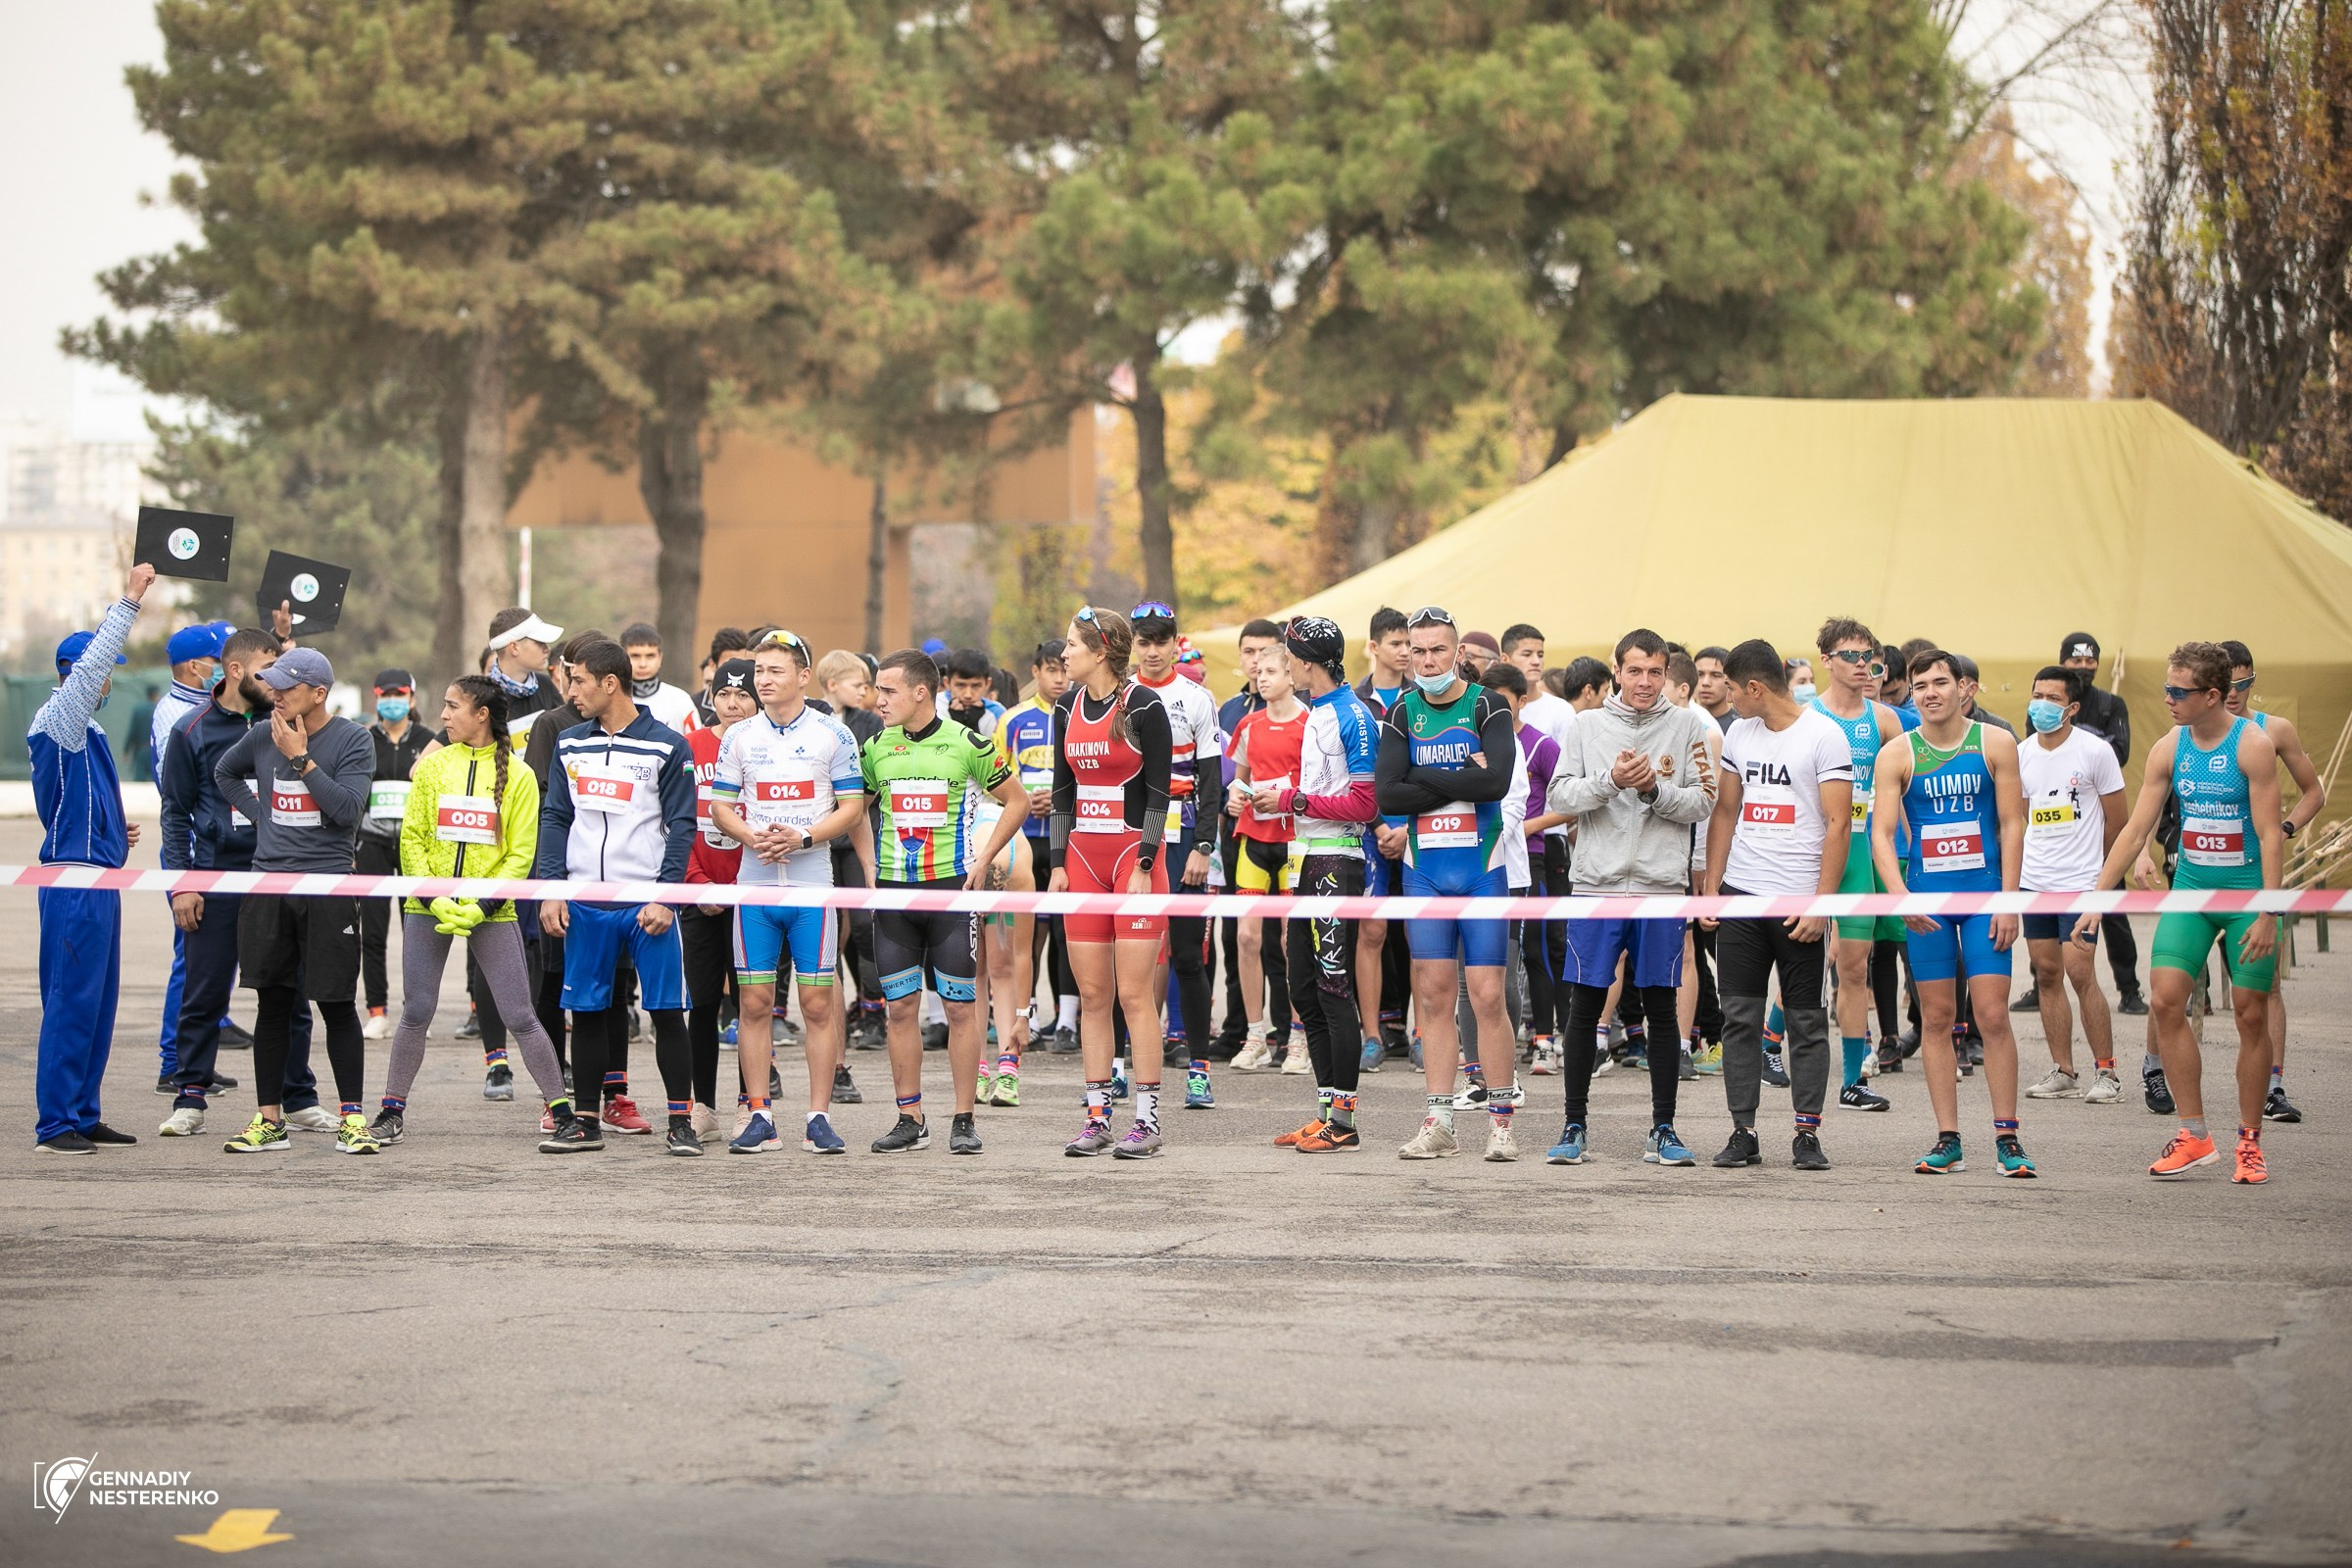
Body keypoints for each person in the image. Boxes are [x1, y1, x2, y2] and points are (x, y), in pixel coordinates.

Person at [2076, 642, 2285, 1185]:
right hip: (2192, 891)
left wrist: (2269, 912)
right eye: (2166, 688)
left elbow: (2269, 834)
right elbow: (2134, 831)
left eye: (2178, 691)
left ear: (2212, 695)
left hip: (2246, 897)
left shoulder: (2253, 745)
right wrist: (2098, 898)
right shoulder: (2170, 746)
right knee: (2166, 1000)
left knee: (2250, 1014)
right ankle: (2194, 1135)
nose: (2167, 699)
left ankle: (2249, 1141)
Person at [368, 675, 571, 1145]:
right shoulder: (433, 766)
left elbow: (520, 855)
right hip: (428, 906)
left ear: (481, 715)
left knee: (520, 1015)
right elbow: (412, 839)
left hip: (491, 911)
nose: (443, 715)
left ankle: (561, 1112)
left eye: (452, 706)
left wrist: (482, 906)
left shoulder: (519, 775)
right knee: (416, 1011)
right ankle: (391, 1112)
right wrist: (434, 897)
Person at [1545, 629, 1718, 1167]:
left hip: (1660, 887)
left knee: (1661, 1008)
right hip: (1595, 886)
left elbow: (1704, 801)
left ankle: (1663, 1129)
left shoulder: (1687, 725)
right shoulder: (1585, 725)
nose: (1645, 682)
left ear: (1668, 674)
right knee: (1585, 1005)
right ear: (1617, 671)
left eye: (1655, 672)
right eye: (1635, 671)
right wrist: (1610, 781)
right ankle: (1574, 1125)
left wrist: (1653, 790)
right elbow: (1559, 794)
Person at [1873, 649, 2035, 1177]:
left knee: (1992, 1015)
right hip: (1928, 904)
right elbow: (1882, 834)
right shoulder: (1897, 754)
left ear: (1963, 688)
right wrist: (1901, 896)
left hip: (1985, 898)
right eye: (1920, 685)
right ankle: (1948, 1139)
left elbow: (2012, 825)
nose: (1930, 693)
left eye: (1940, 683)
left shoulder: (1994, 743)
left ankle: (2008, 1138)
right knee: (1937, 1018)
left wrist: (2009, 899)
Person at [214, 647, 381, 1155]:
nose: (276, 695)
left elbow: (346, 811)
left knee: (336, 1004)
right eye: (274, 685)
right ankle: (270, 1121)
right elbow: (224, 773)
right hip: (268, 886)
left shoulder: (353, 739)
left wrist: (300, 759)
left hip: (327, 887)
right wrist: (261, 816)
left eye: (287, 687)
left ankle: (353, 1119)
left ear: (318, 693)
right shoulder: (263, 732)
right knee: (272, 1003)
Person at [710, 630, 871, 1156]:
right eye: (759, 671)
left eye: (775, 671)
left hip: (810, 886)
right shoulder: (739, 736)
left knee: (817, 1004)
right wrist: (750, 836)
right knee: (754, 1003)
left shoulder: (833, 735)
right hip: (755, 884)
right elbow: (720, 806)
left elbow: (853, 808)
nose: (763, 680)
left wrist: (802, 838)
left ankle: (818, 1117)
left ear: (803, 676)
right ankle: (760, 1116)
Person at [862, 648, 1030, 1154]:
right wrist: (868, 867)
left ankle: (963, 1119)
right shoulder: (875, 747)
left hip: (952, 893)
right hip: (895, 894)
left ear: (920, 692)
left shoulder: (968, 743)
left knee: (960, 1008)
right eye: (877, 690)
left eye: (888, 690)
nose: (878, 699)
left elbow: (1018, 800)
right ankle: (909, 1118)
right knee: (900, 1009)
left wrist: (985, 857)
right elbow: (853, 810)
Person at [535, 636, 700, 1152]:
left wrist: (666, 898)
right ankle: (585, 1122)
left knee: (666, 1011)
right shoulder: (570, 743)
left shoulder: (668, 745)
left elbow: (683, 826)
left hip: (647, 903)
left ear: (610, 683)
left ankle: (681, 1123)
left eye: (578, 681)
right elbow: (555, 817)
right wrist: (552, 889)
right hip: (585, 902)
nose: (570, 691)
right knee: (585, 1011)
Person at [1377, 606, 1522, 1162]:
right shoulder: (1400, 711)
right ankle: (1439, 1121)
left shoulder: (1487, 705)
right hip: (1425, 874)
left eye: (1438, 649)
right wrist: (1463, 775)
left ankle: (1501, 1123)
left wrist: (1418, 775)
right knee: (1434, 997)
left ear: (1457, 652)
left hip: (1481, 871)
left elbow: (1496, 783)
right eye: (1418, 651)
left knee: (1486, 995)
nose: (1428, 660)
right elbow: (1387, 795)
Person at [1700, 639, 1851, 1172]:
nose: (1727, 698)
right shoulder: (1739, 733)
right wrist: (1712, 888)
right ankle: (1743, 1131)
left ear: (1755, 688)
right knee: (1739, 1019)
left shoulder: (1824, 736)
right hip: (1742, 896)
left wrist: (1820, 906)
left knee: (1806, 1022)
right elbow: (1725, 812)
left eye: (1732, 689)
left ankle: (1807, 1133)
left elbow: (1839, 824)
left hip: (1799, 904)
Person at [30, 563, 157, 1153]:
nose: (109, 682)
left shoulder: (91, 734)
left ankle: (83, 1112)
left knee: (98, 1004)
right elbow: (88, 671)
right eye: (104, 673)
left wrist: (111, 829)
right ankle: (55, 1123)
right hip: (74, 884)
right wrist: (129, 601)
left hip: (101, 876)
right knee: (71, 1002)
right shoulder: (61, 718)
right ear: (82, 674)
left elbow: (75, 802)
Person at [1049, 608, 1176, 1158]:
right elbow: (1062, 792)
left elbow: (1160, 793)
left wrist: (1146, 864)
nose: (1064, 654)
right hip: (1082, 859)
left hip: (1134, 860)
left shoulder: (1144, 705)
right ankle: (1097, 1117)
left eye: (1073, 645)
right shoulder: (1065, 707)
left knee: (1134, 994)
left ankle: (1146, 1122)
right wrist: (1057, 864)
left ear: (1100, 652)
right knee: (1094, 995)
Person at [1253, 615, 1382, 1152]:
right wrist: (1279, 796)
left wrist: (1291, 800)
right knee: (1303, 986)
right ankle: (1328, 1108)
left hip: (1338, 864)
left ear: (1306, 664)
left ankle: (1344, 1122)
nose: (1284, 666)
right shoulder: (1320, 711)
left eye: (1288, 658)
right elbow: (1322, 788)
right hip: (1307, 861)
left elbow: (1366, 804)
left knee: (1333, 989)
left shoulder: (1353, 715)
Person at [2220, 641, 2328, 1123]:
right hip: (2202, 869)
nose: (2234, 693)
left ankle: (2273, 1086)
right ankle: (2155, 1071)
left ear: (2252, 681)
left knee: (2266, 986)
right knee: (2174, 981)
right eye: (2226, 684)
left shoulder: (2274, 729)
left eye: (2243, 683)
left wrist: (2284, 829)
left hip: (2256, 871)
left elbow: (2314, 792)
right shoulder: (2190, 728)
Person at [2014, 666, 2128, 1103]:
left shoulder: (2096, 752)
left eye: (2053, 699)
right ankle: (2063, 1071)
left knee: (2081, 973)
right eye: (2036, 695)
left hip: (2081, 883)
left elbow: (2118, 823)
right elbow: (2022, 818)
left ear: (2072, 707)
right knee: (2046, 973)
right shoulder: (2021, 754)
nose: (2041, 705)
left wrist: (2101, 880)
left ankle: (2107, 1072)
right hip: (2034, 883)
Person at [1810, 617, 1906, 1113]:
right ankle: (1769, 1044)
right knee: (1803, 963)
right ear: (1826, 660)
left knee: (1853, 966)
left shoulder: (1884, 720)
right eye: (1850, 655)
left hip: (1860, 854)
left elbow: (1906, 790)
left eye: (1868, 656)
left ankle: (1852, 1080)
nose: (1861, 664)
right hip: (1812, 854)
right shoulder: (1807, 717)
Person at [1131, 602, 1225, 1105]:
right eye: (1143, 642)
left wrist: (1204, 846)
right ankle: (1121, 1067)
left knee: (1188, 955)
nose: (1152, 652)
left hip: (1183, 832)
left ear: (1174, 643)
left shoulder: (1196, 698)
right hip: (1132, 835)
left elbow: (1210, 782)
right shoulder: (1121, 695)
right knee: (1130, 956)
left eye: (1160, 642)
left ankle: (1199, 1070)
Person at [2044, 632, 2147, 1015]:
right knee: (2047, 915)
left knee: (2112, 909)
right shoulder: (2046, 703)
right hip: (2058, 826)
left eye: (2090, 661)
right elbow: (2039, 745)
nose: (2083, 667)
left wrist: (2081, 738)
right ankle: (2042, 983)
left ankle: (2129, 988)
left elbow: (2120, 751)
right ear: (2063, 662)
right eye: (2076, 661)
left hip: (2100, 825)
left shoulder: (2110, 703)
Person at [149, 619, 230, 1088]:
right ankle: (173, 1063)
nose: (224, 667)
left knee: (212, 963)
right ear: (195, 666)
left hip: (214, 854)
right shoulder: (174, 716)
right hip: (192, 853)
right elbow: (176, 796)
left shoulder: (206, 709)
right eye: (218, 660)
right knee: (192, 961)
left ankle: (197, 1060)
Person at [683, 658, 759, 1143]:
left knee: (753, 1004)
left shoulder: (769, 748)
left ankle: (750, 1105)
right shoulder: (690, 746)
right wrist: (696, 883)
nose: (731, 703)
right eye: (723, 694)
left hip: (753, 894)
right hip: (700, 896)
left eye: (743, 694)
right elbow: (674, 820)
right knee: (703, 1003)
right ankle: (703, 1105)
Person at [1228, 640, 1309, 1073]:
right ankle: (1255, 1035)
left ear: (1292, 677)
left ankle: (1297, 1038)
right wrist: (1235, 797)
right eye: (1258, 672)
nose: (1261, 678)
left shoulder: (1310, 723)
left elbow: (1320, 783)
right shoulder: (1248, 724)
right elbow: (1239, 780)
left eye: (1271, 672)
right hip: (1254, 839)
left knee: (1290, 940)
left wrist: (1288, 798)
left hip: (1294, 840)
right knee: (1247, 937)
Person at [998, 641, 1078, 1054]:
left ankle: (1066, 1022)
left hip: (1069, 838)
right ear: (1035, 672)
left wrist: (1064, 803)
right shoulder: (1013, 719)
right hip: (1025, 839)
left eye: (1064, 669)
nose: (1059, 678)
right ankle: (1023, 1017)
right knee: (1028, 934)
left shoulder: (1081, 712)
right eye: (1051, 670)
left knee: (1067, 931)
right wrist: (1027, 801)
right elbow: (993, 781)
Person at [357, 670, 433, 1043]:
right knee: (372, 931)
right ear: (376, 699)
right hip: (371, 843)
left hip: (413, 846)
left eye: (399, 695)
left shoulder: (429, 740)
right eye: (384, 695)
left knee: (416, 931)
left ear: (411, 699)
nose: (391, 701)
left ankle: (416, 1013)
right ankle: (377, 1012)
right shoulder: (363, 739)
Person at [1351, 607, 1409, 1068]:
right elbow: (1352, 776)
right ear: (1373, 647)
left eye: (1411, 643)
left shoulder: (1426, 698)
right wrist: (1381, 826)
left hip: (1418, 831)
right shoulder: (1355, 703)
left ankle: (1424, 1033)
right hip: (1371, 831)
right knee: (1371, 930)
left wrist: (1407, 827)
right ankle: (1371, 1036)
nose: (1406, 651)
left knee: (1422, 932)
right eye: (1397, 643)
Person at [487, 609, 568, 751]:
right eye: (539, 642)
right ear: (514, 647)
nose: (547, 649)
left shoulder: (545, 685)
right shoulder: (481, 694)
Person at [620, 621, 703, 736]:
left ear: (660, 658)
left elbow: (696, 742)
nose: (643, 664)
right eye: (635, 656)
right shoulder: (612, 702)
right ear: (622, 657)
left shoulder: (680, 701)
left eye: (650, 656)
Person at [940, 647, 1005, 737]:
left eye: (976, 686)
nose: (968, 695)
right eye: (960, 685)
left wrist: (973, 726)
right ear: (947, 683)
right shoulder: (934, 708)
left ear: (987, 683)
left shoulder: (998, 714)